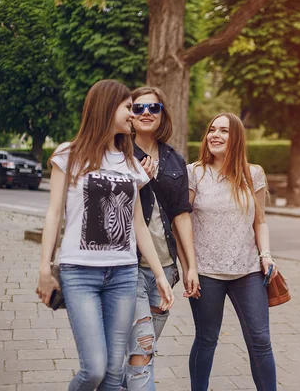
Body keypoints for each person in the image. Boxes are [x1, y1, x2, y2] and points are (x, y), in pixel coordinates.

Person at [36, 79, 174, 391]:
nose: (134, 114)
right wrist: (45, 268)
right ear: (107, 107)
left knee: (115, 373)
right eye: (129, 107)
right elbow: (54, 214)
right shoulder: (67, 155)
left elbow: (137, 225)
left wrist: (160, 275)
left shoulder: (130, 163)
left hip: (124, 274)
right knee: (95, 369)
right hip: (79, 273)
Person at [186, 112, 278, 391]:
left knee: (260, 340)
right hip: (207, 271)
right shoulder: (195, 172)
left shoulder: (254, 174)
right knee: (206, 338)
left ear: (236, 137)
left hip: (248, 270)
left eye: (223, 131)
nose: (215, 135)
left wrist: (266, 255)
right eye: (212, 130)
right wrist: (189, 266)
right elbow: (184, 222)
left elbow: (259, 221)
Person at [124, 86, 200, 390]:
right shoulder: (119, 153)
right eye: (138, 107)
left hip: (165, 270)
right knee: (142, 347)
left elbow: (182, 214)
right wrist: (138, 181)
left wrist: (190, 266)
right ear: (129, 114)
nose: (145, 113)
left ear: (162, 114)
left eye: (153, 108)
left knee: (143, 348)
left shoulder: (174, 159)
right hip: (128, 266)